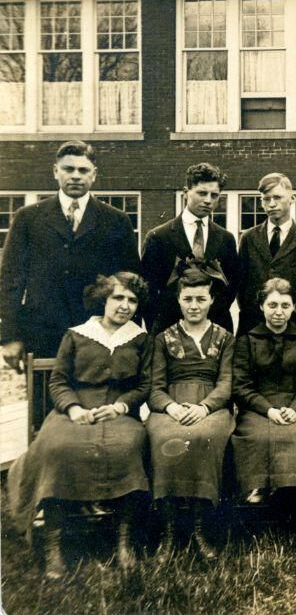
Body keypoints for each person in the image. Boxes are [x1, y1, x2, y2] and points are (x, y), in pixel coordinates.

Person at [6, 272, 150, 579]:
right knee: (58, 448)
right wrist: (73, 409)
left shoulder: (140, 339)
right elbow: (58, 381)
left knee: (128, 447)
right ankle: (54, 546)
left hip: (119, 413)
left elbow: (144, 385)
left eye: (132, 300)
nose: (124, 305)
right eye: (118, 297)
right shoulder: (77, 334)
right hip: (73, 411)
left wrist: (121, 406)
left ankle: (123, 543)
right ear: (104, 299)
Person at [1, 140, 140, 366]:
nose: (76, 176)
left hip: (101, 336)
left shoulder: (116, 221)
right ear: (56, 171)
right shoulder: (28, 218)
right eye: (68, 169)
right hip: (42, 336)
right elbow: (10, 280)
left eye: (83, 170)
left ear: (94, 174)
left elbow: (132, 282)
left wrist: (129, 337)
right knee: (45, 389)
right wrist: (10, 337)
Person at [146, 267, 236, 560]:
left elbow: (226, 383)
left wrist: (204, 407)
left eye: (201, 299)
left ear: (212, 300)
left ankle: (200, 529)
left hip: (211, 407)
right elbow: (155, 388)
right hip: (171, 407)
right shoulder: (163, 338)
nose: (194, 306)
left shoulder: (224, 338)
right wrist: (171, 407)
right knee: (164, 439)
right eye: (188, 299)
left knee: (204, 437)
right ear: (178, 300)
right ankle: (170, 531)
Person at [231, 278, 296, 508]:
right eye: (272, 305)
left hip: (295, 407)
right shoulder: (247, 341)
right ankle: (257, 490)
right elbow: (241, 385)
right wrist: (268, 410)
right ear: (261, 306)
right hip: (257, 409)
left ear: (294, 307)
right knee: (256, 436)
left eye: (285, 305)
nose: (279, 312)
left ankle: (290, 494)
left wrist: (295, 409)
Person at [140, 162, 240, 334]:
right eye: (202, 193)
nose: (208, 200)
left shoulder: (226, 239)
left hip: (215, 330)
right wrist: (157, 329)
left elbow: (232, 287)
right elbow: (147, 289)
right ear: (186, 192)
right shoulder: (158, 237)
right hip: (168, 329)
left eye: (214, 195)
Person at [237, 173, 296, 335]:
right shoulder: (248, 238)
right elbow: (241, 287)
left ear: (292, 199)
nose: (272, 204)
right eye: (266, 199)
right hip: (255, 329)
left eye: (277, 197)